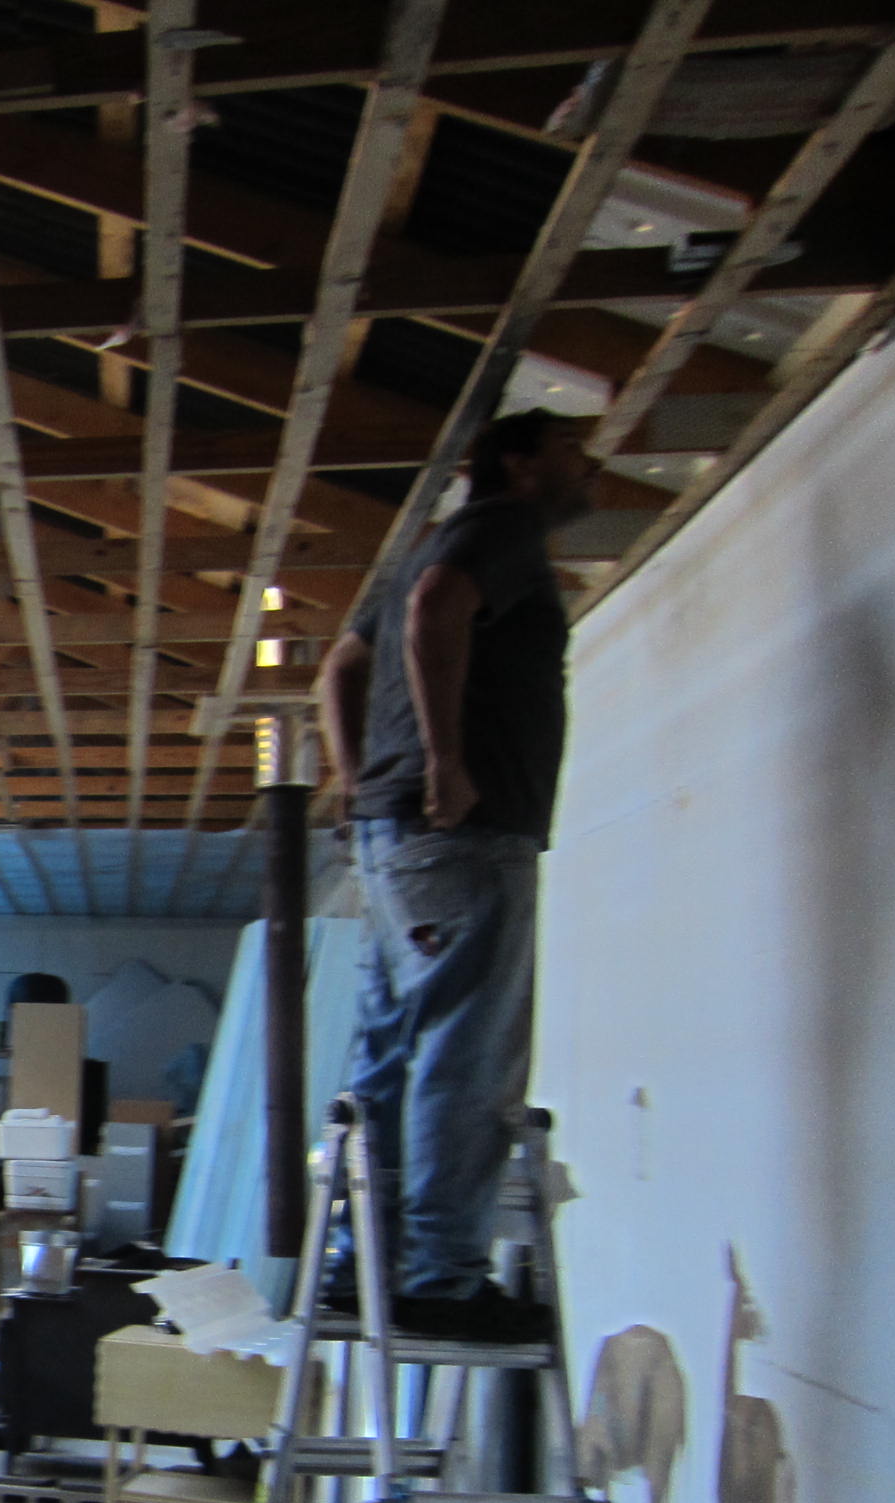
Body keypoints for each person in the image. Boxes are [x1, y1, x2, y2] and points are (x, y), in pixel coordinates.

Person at [314, 409, 598, 1342]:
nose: (590, 465)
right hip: (465, 838)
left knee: (391, 1056)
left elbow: (340, 667)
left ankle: (362, 1264)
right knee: (465, 1055)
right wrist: (444, 762)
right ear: (518, 462)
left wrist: (357, 780)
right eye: (571, 450)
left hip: (396, 842)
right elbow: (438, 606)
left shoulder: (420, 551)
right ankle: (441, 1278)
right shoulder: (497, 528)